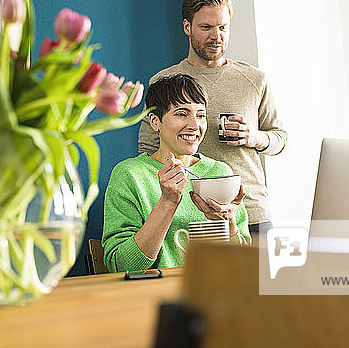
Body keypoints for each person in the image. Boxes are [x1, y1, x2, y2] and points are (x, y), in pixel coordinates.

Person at [138, 0, 287, 240]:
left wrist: (255, 137)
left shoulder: (255, 79)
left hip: (251, 209)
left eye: (222, 27)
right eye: (206, 27)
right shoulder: (164, 82)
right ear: (187, 27)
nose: (216, 36)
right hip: (192, 211)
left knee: (263, 282)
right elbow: (147, 150)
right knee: (205, 282)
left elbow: (280, 138)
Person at [102, 74, 251, 272]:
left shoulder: (220, 172)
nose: (194, 125)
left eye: (200, 115)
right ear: (155, 122)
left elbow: (244, 264)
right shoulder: (130, 175)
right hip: (152, 295)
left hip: (216, 292)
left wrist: (230, 224)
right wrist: (167, 202)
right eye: (182, 113)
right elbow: (121, 266)